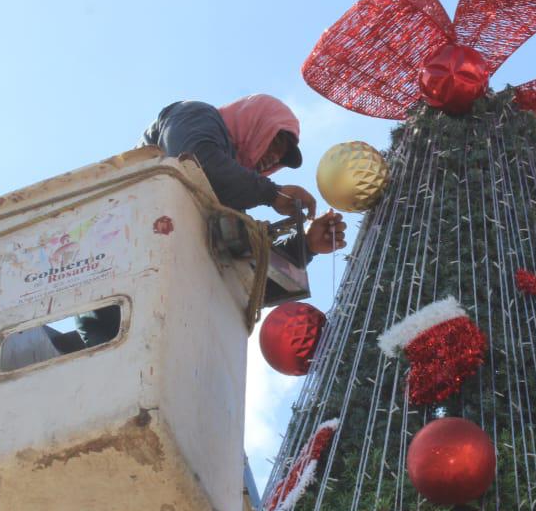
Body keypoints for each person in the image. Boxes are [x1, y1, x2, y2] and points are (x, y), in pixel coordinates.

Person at [76, 94, 347, 347]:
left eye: (282, 157)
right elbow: (196, 162)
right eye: (276, 142)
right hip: (114, 282)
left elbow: (248, 280)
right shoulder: (194, 114)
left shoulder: (225, 204)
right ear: (254, 120)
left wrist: (307, 245)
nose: (275, 157)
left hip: (155, 320)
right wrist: (272, 193)